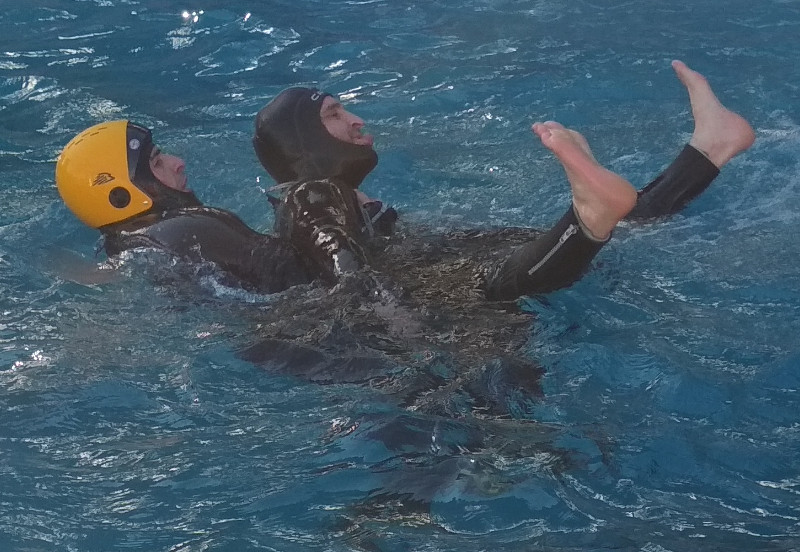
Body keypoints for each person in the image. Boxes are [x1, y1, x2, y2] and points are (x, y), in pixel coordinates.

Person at [55, 61, 754, 304]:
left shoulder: (158, 242)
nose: (177, 164)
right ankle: (593, 213)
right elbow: (347, 288)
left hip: (373, 297)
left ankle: (706, 149)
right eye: (156, 163)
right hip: (386, 315)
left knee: (585, 236)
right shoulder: (300, 201)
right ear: (121, 191)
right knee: (509, 277)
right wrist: (413, 345)